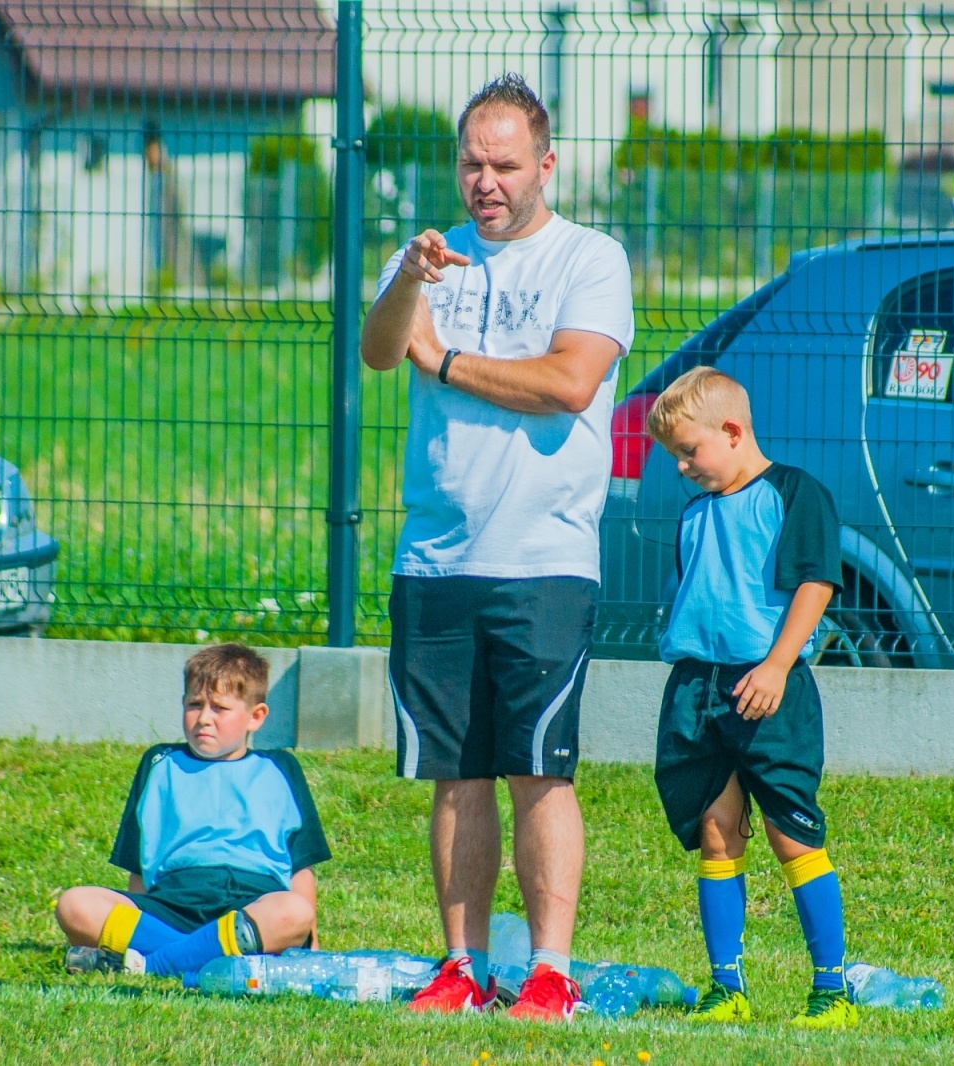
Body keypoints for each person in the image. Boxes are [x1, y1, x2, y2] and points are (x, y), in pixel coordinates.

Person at [359, 72, 634, 1021]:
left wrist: (446, 360)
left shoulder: (590, 259)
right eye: (472, 163)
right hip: (435, 559)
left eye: (505, 165)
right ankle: (462, 967)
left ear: (545, 165)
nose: (486, 181)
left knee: (539, 771)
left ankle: (550, 971)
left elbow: (566, 383)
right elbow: (379, 348)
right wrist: (409, 285)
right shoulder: (427, 257)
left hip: (544, 562)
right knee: (454, 776)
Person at [644, 366, 857, 1029]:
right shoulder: (696, 511)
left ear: (732, 431)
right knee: (715, 831)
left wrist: (776, 665)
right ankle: (726, 987)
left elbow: (816, 584)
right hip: (697, 688)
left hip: (768, 686)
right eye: (675, 455)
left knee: (787, 831)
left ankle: (831, 992)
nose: (682, 467)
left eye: (689, 451)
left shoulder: (795, 494)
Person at [54, 643, 330, 977]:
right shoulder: (159, 763)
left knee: (293, 912)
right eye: (194, 705)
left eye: (220, 708)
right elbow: (139, 867)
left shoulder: (281, 767)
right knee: (75, 905)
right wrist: (135, 920)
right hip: (172, 903)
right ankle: (215, 957)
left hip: (253, 903)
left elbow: (302, 867)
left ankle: (152, 964)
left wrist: (310, 945)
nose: (204, 719)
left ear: (255, 717)